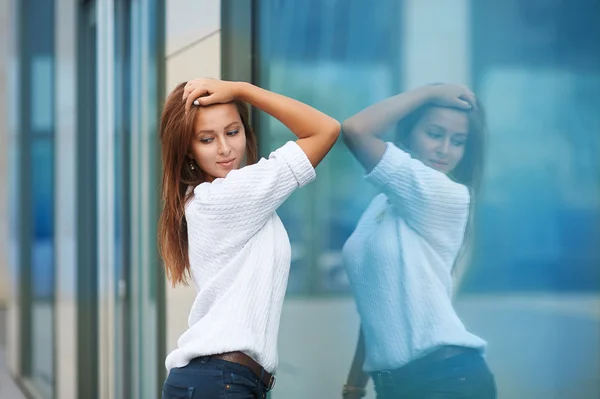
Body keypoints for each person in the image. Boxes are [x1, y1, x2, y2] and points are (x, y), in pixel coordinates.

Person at [158, 78, 340, 399]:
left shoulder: (208, 198)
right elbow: (324, 130)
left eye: (232, 131)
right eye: (206, 139)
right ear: (188, 148)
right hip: (221, 381)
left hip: (221, 381)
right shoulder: (224, 198)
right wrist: (242, 90)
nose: (226, 149)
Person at [340, 84, 496, 399]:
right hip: (399, 385)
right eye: (435, 134)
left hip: (446, 380)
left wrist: (430, 93)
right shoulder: (383, 204)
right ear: (408, 135)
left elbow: (355, 130)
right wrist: (355, 383)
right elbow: (375, 302)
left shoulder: (444, 194)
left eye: (458, 141)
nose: (445, 149)